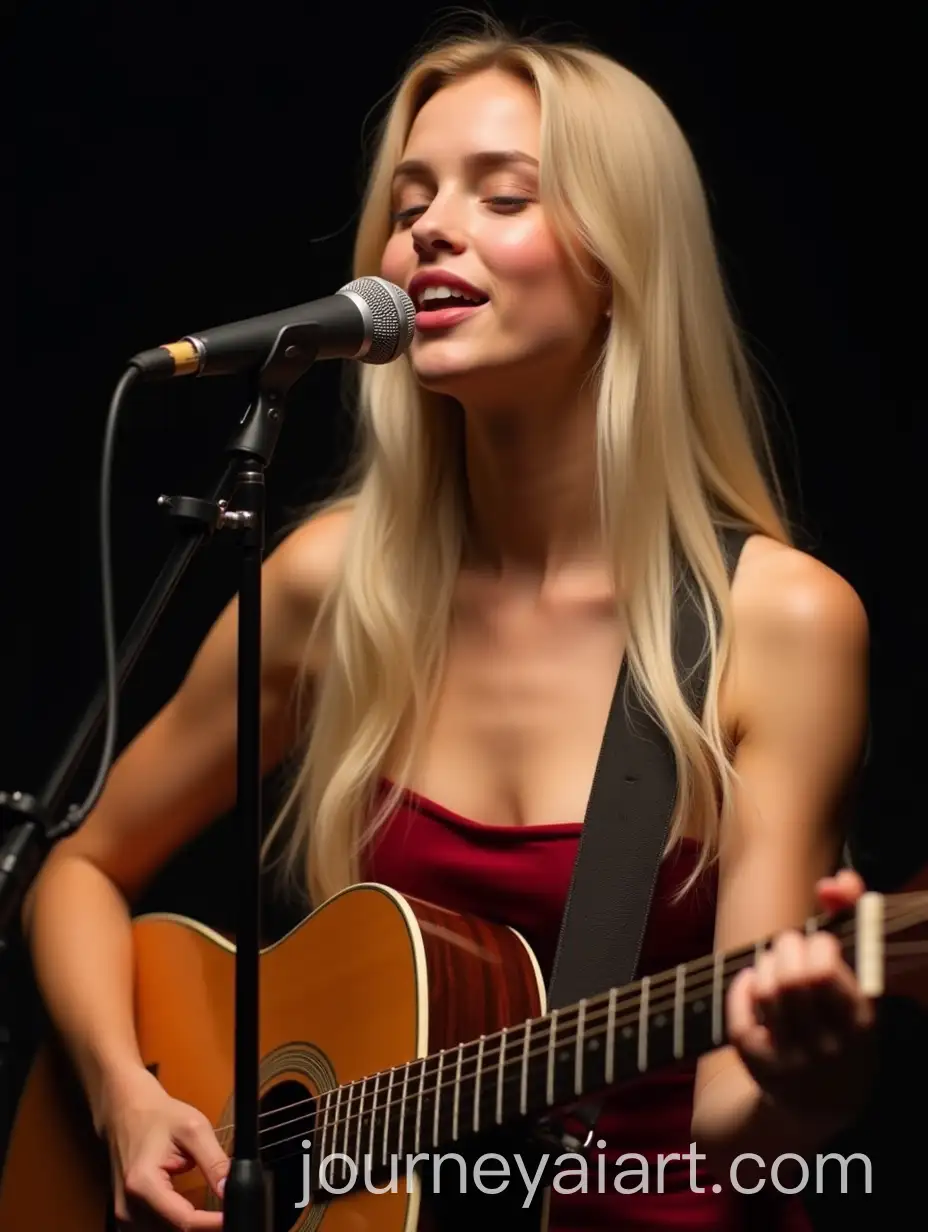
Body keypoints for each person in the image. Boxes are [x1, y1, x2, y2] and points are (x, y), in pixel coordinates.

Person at [20, 21, 874, 1232]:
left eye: (506, 194)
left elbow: (743, 1123)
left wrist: (812, 1066)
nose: (426, 227)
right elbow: (80, 865)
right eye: (408, 198)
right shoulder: (335, 585)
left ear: (625, 261)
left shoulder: (777, 620)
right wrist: (125, 1093)